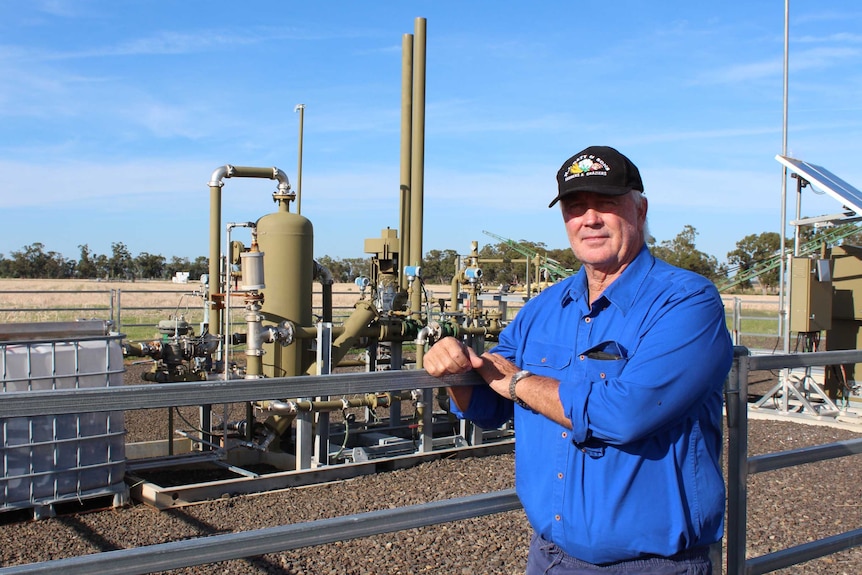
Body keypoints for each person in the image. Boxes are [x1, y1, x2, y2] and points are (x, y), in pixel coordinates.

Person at [423, 145, 733, 574]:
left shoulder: (685, 301)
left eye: (606, 203)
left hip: (653, 565)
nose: (590, 218)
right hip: (551, 559)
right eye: (575, 206)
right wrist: (456, 369)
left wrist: (518, 383)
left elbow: (626, 413)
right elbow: (487, 407)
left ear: (640, 210)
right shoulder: (544, 308)